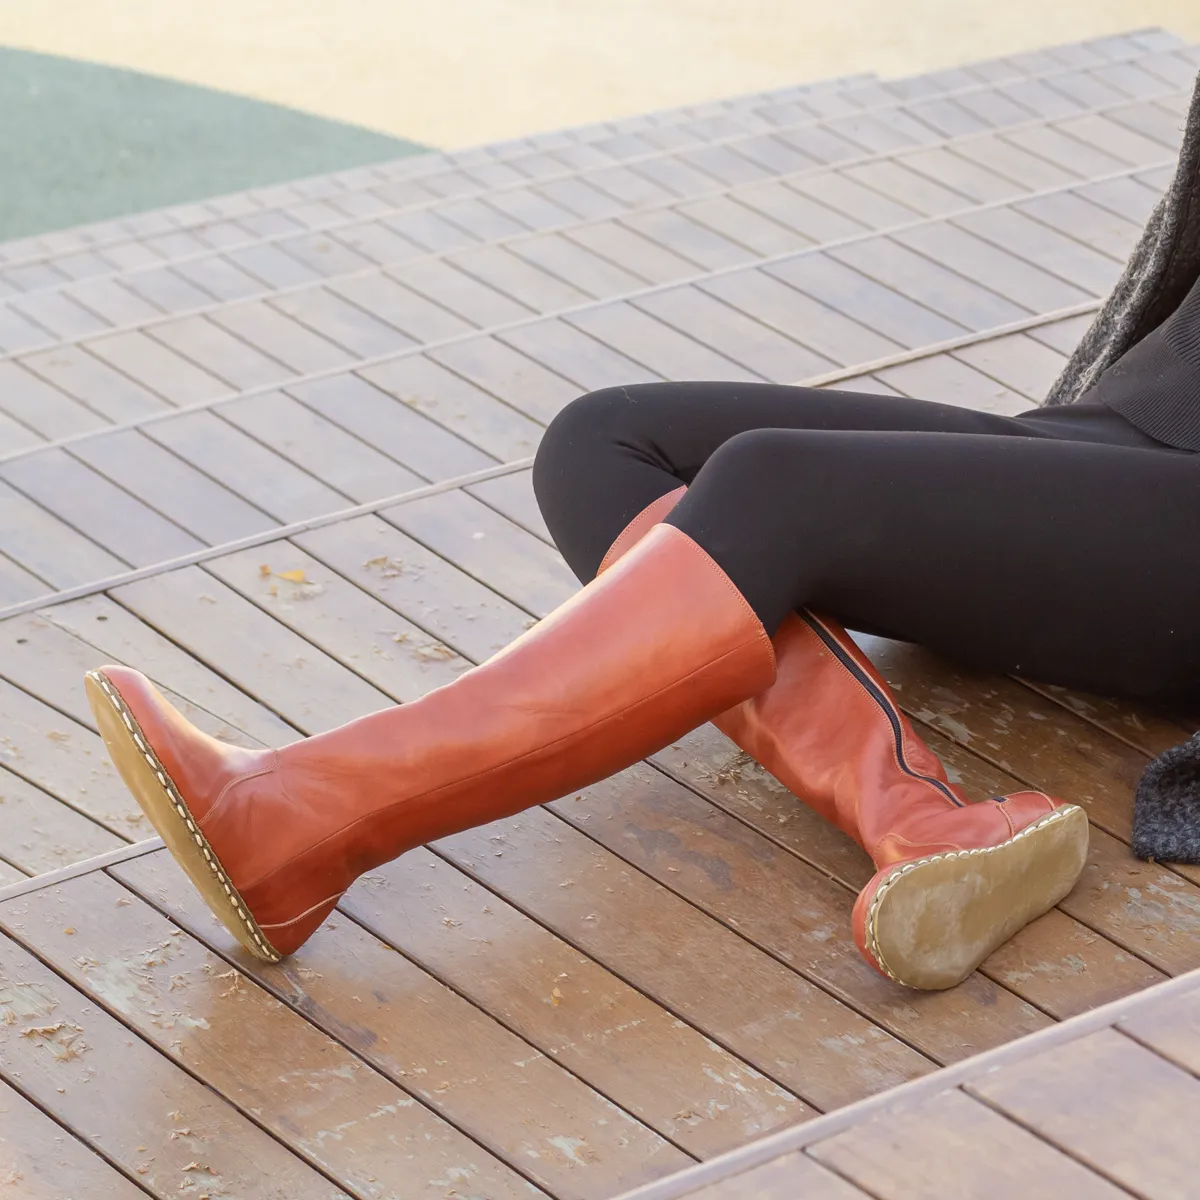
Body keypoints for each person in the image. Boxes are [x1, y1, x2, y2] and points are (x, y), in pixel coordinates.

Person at [85, 78, 1200, 992]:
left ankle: (303, 817)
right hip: (1135, 426)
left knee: (773, 483)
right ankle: (924, 819)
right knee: (603, 440)